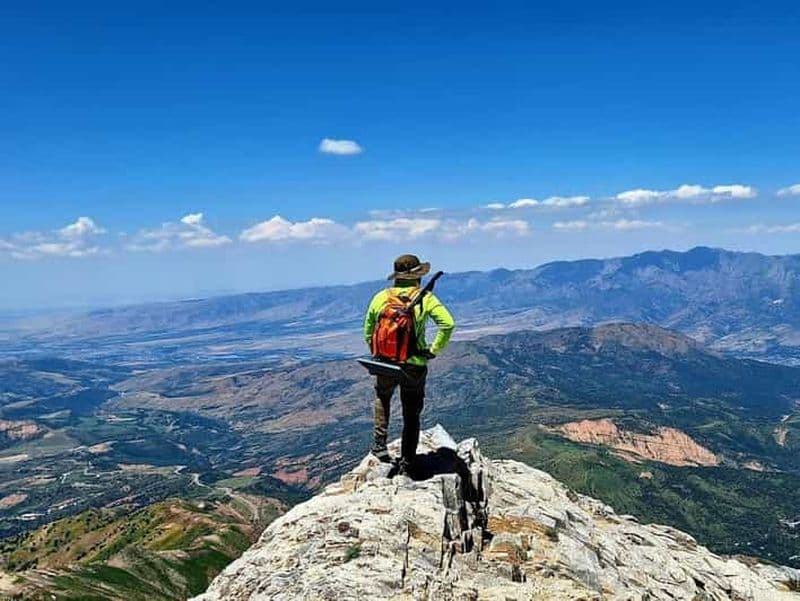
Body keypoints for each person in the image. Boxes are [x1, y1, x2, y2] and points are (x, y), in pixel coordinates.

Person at [363, 254, 455, 475]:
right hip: (413, 364)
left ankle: (379, 446)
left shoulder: (380, 298)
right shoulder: (426, 299)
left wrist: (382, 352)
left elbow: (368, 331)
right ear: (417, 276)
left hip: (385, 362)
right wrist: (433, 350)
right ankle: (407, 462)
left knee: (382, 398)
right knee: (411, 413)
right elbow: (448, 324)